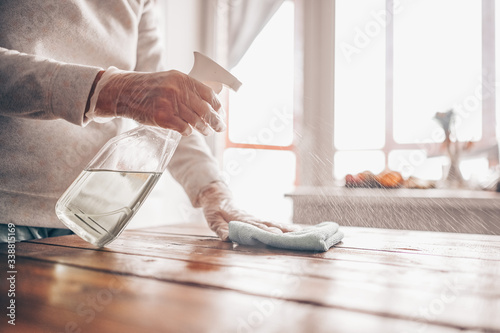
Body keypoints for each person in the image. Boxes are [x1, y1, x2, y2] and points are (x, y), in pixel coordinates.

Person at [0, 0, 296, 242]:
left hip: (91, 224)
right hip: (8, 215)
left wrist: (213, 191)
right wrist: (110, 90)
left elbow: (169, 116)